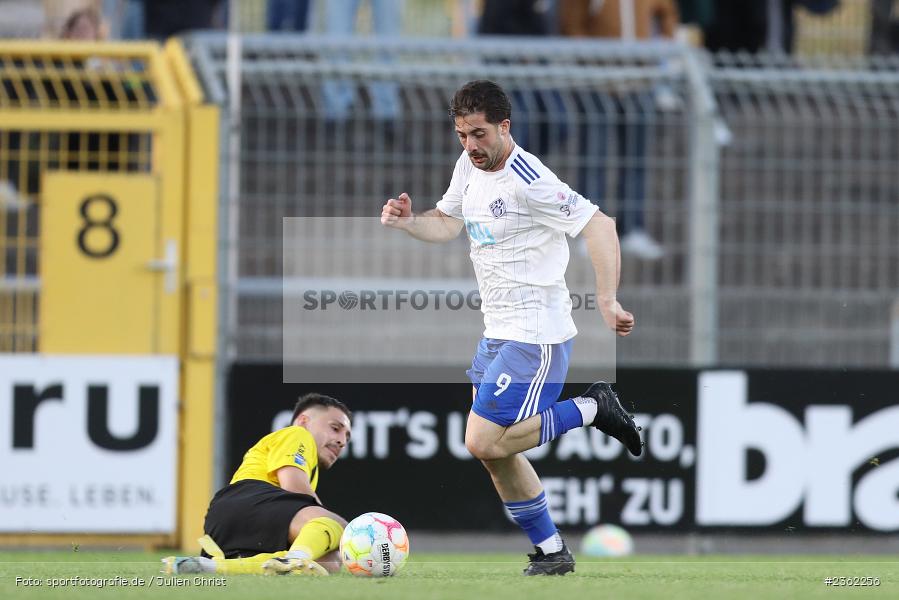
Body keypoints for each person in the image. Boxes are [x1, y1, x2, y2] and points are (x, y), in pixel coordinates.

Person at [380, 80, 643, 576]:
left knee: (482, 440)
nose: (470, 145)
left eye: (479, 134)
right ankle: (551, 552)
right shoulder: (468, 166)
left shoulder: (529, 178)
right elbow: (447, 222)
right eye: (462, 135)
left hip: (536, 334)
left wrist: (606, 300)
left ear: (505, 126)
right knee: (495, 454)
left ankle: (593, 408)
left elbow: (600, 224)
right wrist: (410, 222)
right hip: (497, 332)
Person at [162, 393, 352, 576]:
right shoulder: (298, 434)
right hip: (248, 499)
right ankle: (295, 559)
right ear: (303, 421)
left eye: (347, 437)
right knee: (341, 528)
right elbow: (293, 486)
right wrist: (333, 525)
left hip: (225, 525)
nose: (342, 441)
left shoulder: (307, 466)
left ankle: (214, 567)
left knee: (329, 560)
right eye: (336, 428)